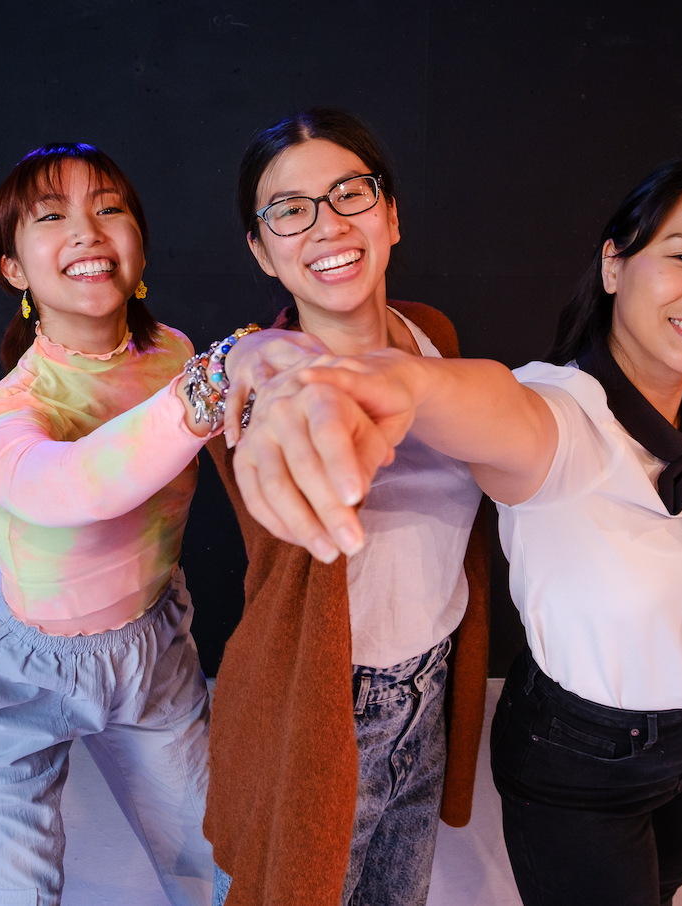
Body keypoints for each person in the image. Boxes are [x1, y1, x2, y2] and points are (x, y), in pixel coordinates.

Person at [230, 159, 682, 906]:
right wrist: (377, 381)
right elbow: (484, 400)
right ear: (615, 264)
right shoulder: (559, 416)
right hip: (590, 765)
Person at [0, 142, 276, 906]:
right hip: (15, 672)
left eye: (109, 208)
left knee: (216, 870)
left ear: (139, 241)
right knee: (12, 894)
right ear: (13, 268)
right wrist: (216, 380)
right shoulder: (1, 419)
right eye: (52, 217)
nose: (88, 230)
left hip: (151, 650)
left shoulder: (174, 355)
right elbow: (78, 489)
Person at [200, 109, 491, 906]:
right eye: (290, 209)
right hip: (323, 707)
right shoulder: (266, 390)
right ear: (261, 249)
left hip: (425, 693)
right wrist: (245, 354)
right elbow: (245, 413)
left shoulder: (431, 334)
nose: (326, 223)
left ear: (390, 214)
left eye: (348, 194)